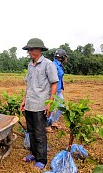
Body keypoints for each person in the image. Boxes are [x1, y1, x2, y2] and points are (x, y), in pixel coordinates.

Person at [20, 38, 58, 170]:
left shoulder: (48, 64)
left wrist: (49, 103)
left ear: (39, 50)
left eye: (31, 49)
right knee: (30, 131)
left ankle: (42, 159)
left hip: (40, 105)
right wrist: (24, 101)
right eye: (28, 50)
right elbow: (29, 86)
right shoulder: (30, 65)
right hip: (30, 104)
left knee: (40, 133)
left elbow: (54, 84)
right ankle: (34, 154)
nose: (29, 52)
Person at [46, 49, 67, 132]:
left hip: (58, 91)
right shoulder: (53, 65)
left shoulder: (59, 65)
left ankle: (53, 121)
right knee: (50, 108)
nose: (66, 59)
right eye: (65, 57)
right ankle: (47, 124)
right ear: (61, 58)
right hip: (53, 91)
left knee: (62, 107)